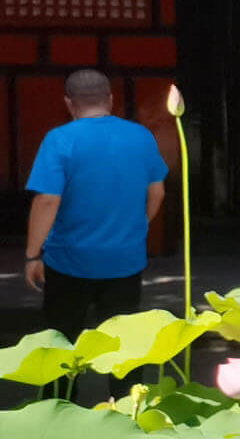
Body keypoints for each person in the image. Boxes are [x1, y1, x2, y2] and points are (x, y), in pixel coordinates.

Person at [24, 69, 169, 349]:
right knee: (125, 348)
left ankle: (63, 394)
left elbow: (47, 201)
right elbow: (158, 193)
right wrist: (137, 226)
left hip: (68, 259)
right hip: (125, 257)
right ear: (110, 99)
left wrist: (33, 255)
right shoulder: (141, 136)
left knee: (61, 346)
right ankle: (126, 394)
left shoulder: (59, 139)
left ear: (68, 102)